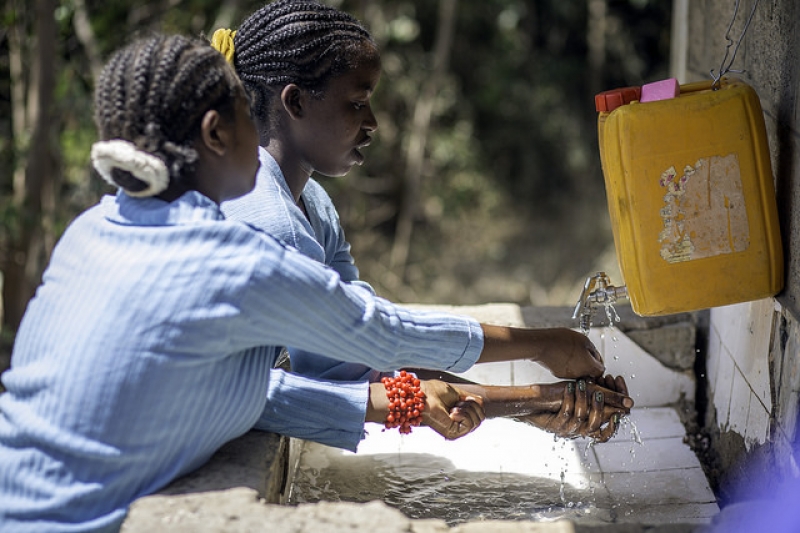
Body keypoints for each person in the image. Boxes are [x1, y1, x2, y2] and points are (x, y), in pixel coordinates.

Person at [0, 33, 629, 531]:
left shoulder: (91, 228)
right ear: (219, 133)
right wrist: (542, 343)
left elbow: (253, 394)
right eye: (250, 113)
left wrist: (510, 401)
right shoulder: (236, 260)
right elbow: (377, 333)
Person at [213, 0, 632, 434]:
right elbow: (370, 335)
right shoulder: (267, 217)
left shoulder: (313, 207)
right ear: (295, 102)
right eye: (357, 103)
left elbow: (347, 360)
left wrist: (534, 404)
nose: (373, 122)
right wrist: (541, 345)